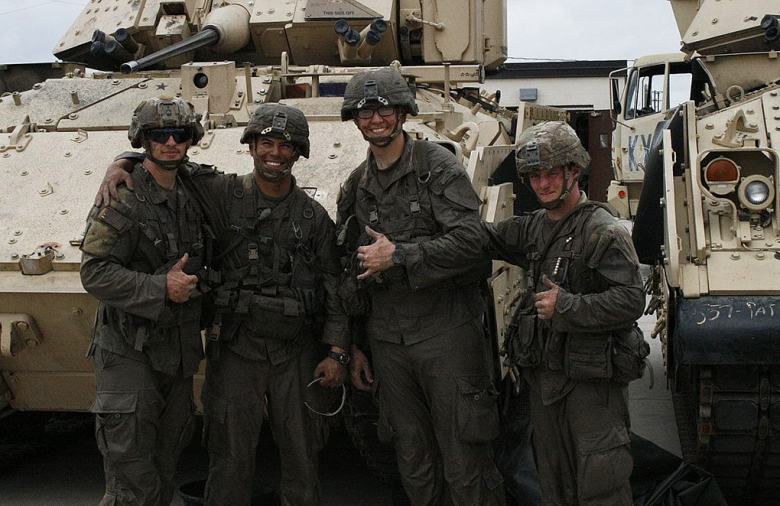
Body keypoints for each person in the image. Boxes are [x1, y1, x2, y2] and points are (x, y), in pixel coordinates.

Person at [100, 104, 349, 506]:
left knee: (303, 462)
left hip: (296, 351)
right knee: (230, 460)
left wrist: (337, 350)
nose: (275, 153)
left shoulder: (313, 217)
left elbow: (334, 286)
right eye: (266, 142)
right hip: (236, 347)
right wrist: (121, 161)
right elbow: (167, 157)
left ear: (298, 152)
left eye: (286, 146)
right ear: (250, 146)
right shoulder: (220, 193)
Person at [336, 67, 506, 506]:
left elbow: (473, 242)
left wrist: (402, 255)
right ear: (354, 119)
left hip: (445, 331)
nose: (374, 119)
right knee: (411, 455)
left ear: (402, 113)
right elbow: (346, 273)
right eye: (364, 111)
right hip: (387, 340)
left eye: (383, 109)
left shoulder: (437, 167)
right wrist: (354, 345)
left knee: (464, 453)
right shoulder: (356, 184)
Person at [481, 121, 646, 506]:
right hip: (547, 382)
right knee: (554, 485)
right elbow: (485, 238)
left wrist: (566, 306)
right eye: (534, 176)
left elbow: (632, 300)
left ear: (574, 170)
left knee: (600, 484)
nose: (542, 185)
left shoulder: (602, 231)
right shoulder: (537, 226)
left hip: (592, 387)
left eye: (551, 173)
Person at [80, 96, 208, 506]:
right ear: (143, 140)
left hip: (176, 351)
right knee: (132, 478)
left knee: (165, 466)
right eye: (158, 135)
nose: (170, 143)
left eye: (180, 134)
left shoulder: (194, 188)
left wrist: (122, 159)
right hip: (127, 351)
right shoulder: (122, 197)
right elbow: (94, 271)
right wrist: (159, 288)